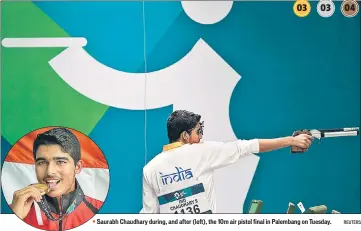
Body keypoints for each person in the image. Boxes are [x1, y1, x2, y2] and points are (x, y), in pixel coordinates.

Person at [141, 110, 314, 214]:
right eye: (198, 131)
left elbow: (149, 216)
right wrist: (291, 141)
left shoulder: (150, 169)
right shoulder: (201, 151)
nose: (201, 137)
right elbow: (246, 147)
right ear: (185, 136)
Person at [10, 127, 103, 231]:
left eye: (60, 161)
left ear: (77, 167)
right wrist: (14, 221)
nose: (49, 171)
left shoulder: (100, 210)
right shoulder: (15, 208)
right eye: (42, 162)